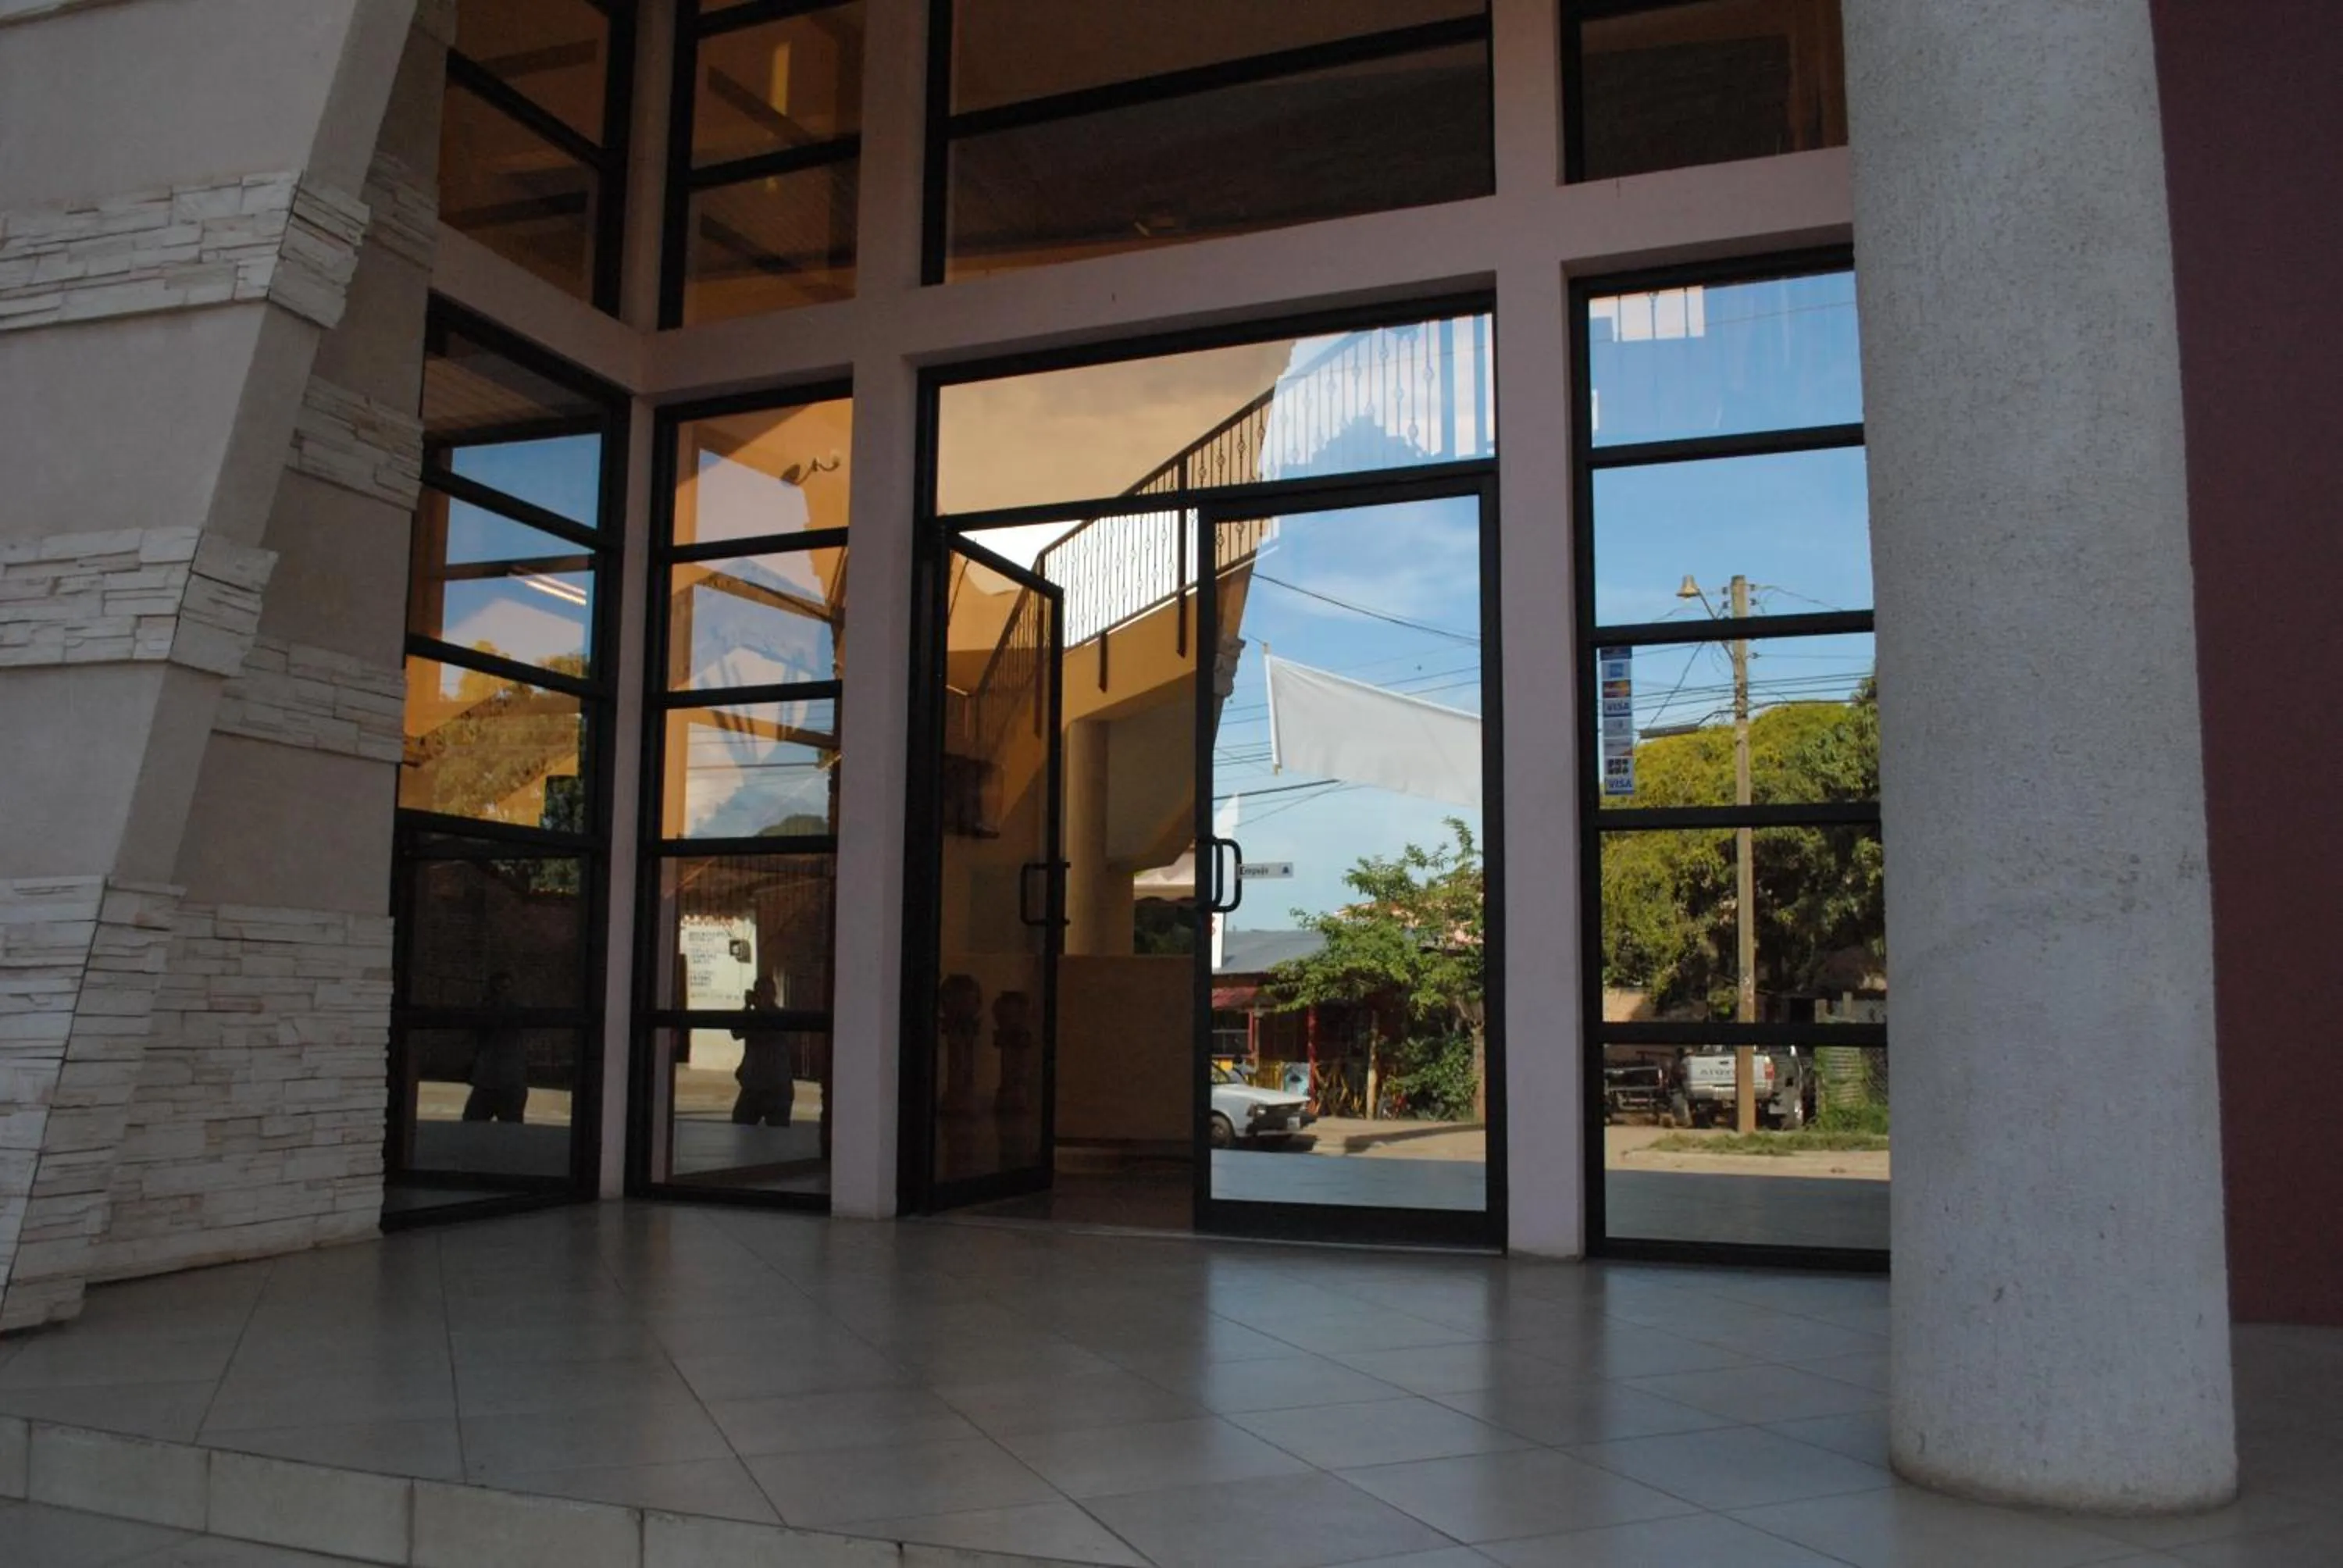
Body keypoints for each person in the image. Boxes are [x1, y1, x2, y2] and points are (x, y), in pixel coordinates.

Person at [463, 971, 528, 1123]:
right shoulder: (486, 1011)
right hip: (488, 1081)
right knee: (472, 1124)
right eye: (496, 990)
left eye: (504, 989)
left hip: (509, 1083)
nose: (500, 994)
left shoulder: (514, 1013)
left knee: (510, 1129)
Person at [731, 977, 794, 1127]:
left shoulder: (781, 1017)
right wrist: (747, 1008)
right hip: (753, 1086)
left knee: (778, 1133)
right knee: (741, 1125)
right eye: (760, 994)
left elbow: (777, 1036)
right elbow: (736, 1033)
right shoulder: (752, 1017)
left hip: (777, 1087)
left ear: (773, 995)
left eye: (766, 994)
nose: (763, 998)